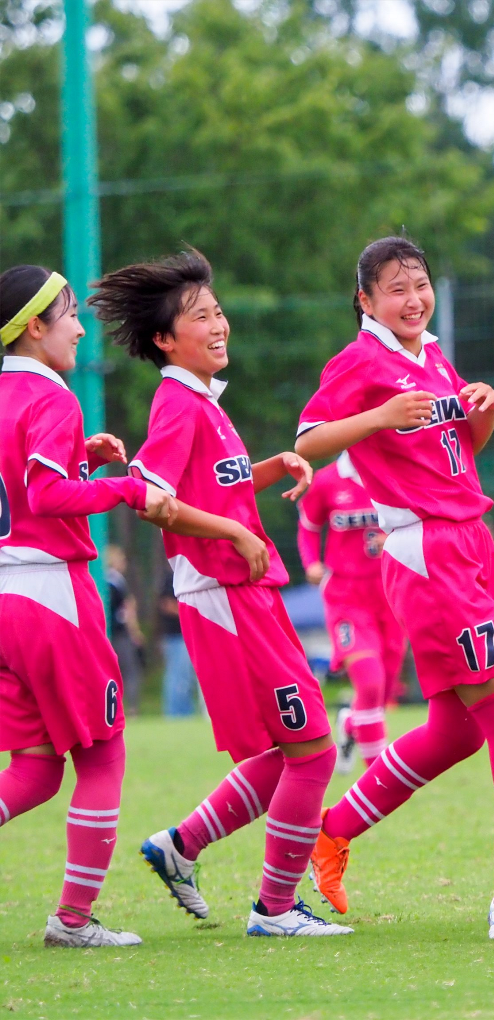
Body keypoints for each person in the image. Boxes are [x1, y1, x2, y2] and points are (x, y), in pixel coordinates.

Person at [295, 236, 494, 941]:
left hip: (460, 541)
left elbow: (461, 451)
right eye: (396, 289)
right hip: (424, 549)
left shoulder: (428, 354)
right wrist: (376, 417)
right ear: (366, 301)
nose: (413, 299)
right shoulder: (361, 359)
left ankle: (332, 830)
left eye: (421, 284)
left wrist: (484, 413)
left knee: (455, 730)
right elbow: (308, 440)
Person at [91, 250, 352, 938]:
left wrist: (272, 466)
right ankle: (275, 909)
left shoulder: (205, 400)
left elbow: (216, 491)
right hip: (226, 596)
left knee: (286, 752)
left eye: (217, 312)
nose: (219, 325)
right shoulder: (178, 402)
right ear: (164, 340)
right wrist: (235, 537)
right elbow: (153, 499)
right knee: (314, 750)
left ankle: (181, 846)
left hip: (245, 593)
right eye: (200, 317)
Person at [0, 264, 177, 947]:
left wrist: (83, 465)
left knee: (38, 769)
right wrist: (128, 489)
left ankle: (74, 917)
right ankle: (73, 921)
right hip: (52, 595)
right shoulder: (54, 398)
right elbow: (45, 501)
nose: (80, 325)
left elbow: (29, 487)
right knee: (102, 756)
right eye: (70, 313)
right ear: (35, 327)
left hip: (7, 595)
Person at [297, 450, 407, 771]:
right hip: (346, 597)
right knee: (369, 682)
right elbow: (308, 526)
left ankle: (349, 724)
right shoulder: (328, 480)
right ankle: (381, 776)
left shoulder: (396, 470)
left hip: (392, 593)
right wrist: (311, 563)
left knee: (382, 691)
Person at [102, 544, 144, 716]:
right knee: (130, 671)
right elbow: (127, 610)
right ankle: (131, 709)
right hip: (120, 633)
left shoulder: (101, 579)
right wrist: (135, 632)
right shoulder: (116, 581)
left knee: (110, 672)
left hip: (106, 633)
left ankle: (111, 708)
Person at [157, 569, 199, 717]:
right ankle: (177, 713)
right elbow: (167, 604)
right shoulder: (173, 575)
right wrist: (194, 615)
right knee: (177, 678)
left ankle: (185, 711)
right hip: (175, 634)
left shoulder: (191, 574)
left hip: (187, 634)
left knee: (185, 678)